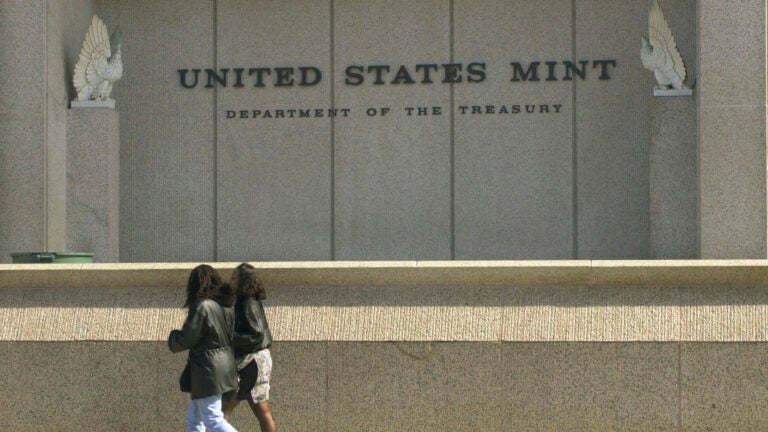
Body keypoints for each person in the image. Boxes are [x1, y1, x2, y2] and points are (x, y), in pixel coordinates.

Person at [169, 264, 239, 432]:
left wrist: (173, 337)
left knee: (212, 419)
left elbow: (188, 338)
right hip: (223, 365)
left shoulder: (203, 306)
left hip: (208, 368)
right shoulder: (225, 305)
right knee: (194, 421)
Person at [222, 263, 276, 432]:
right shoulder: (246, 301)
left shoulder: (247, 303)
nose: (230, 280)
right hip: (256, 360)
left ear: (243, 281)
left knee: (223, 408)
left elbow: (255, 334)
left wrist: (228, 337)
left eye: (233, 277)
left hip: (250, 361)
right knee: (261, 410)